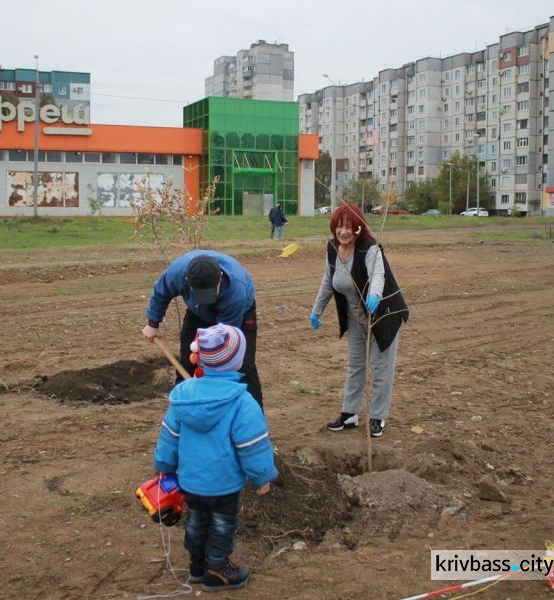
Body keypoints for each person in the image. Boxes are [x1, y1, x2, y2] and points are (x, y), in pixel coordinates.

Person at [154, 324, 278, 591]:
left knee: (196, 521)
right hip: (224, 484)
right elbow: (252, 446)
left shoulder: (184, 398)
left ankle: (197, 568)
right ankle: (217, 570)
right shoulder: (242, 403)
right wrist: (262, 477)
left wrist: (164, 466)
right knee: (222, 525)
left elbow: (169, 436)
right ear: (238, 361)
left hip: (191, 482)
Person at [308, 204, 409, 438]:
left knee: (380, 368)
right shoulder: (333, 248)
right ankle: (350, 414)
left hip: (382, 315)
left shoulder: (369, 248)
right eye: (339, 226)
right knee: (355, 366)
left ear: (358, 229)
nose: (343, 232)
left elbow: (377, 275)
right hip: (356, 318)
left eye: (349, 227)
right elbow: (327, 280)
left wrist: (375, 295)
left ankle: (377, 417)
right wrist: (317, 310)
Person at [142, 250, 263, 407]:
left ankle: (249, 416)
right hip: (198, 312)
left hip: (237, 316)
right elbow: (161, 293)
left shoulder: (236, 290)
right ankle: (182, 408)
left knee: (241, 366)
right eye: (201, 293)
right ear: (187, 281)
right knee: (188, 360)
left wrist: (211, 365)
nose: (208, 298)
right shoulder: (176, 273)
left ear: (220, 276)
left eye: (211, 292)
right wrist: (153, 324)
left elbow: (224, 341)